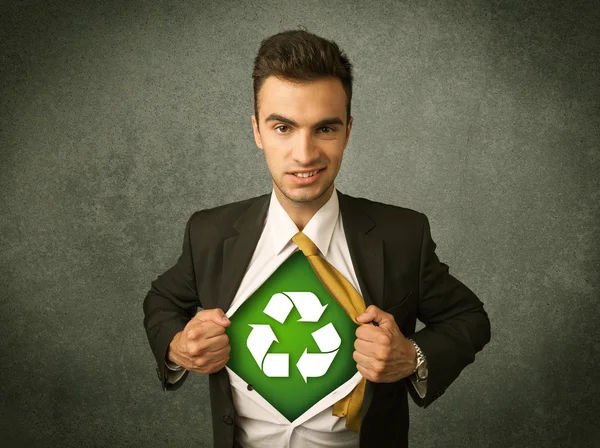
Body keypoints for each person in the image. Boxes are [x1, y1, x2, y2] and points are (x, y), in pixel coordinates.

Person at [143, 29, 491, 448]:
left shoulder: (403, 236)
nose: (305, 154)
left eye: (324, 128)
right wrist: (178, 347)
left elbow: (469, 319)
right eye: (283, 127)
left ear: (347, 129)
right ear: (257, 131)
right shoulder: (209, 233)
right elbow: (161, 301)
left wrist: (410, 357)